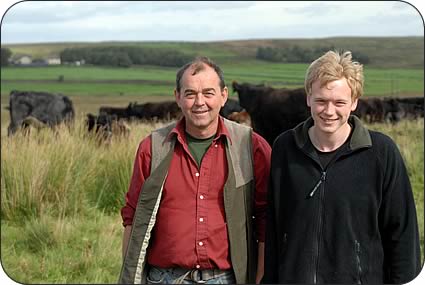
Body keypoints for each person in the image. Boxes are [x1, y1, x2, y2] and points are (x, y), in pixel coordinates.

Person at [262, 50, 421, 284]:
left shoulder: (381, 153)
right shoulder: (285, 147)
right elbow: (275, 228)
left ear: (354, 102)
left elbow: (403, 237)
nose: (329, 111)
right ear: (308, 98)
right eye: (321, 101)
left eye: (339, 103)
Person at [119, 56, 271, 284]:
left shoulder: (251, 147)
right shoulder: (152, 148)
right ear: (177, 97)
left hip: (225, 278)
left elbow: (265, 219)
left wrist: (261, 277)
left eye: (208, 93)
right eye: (190, 94)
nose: (200, 102)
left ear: (224, 96)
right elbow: (133, 217)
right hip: (164, 278)